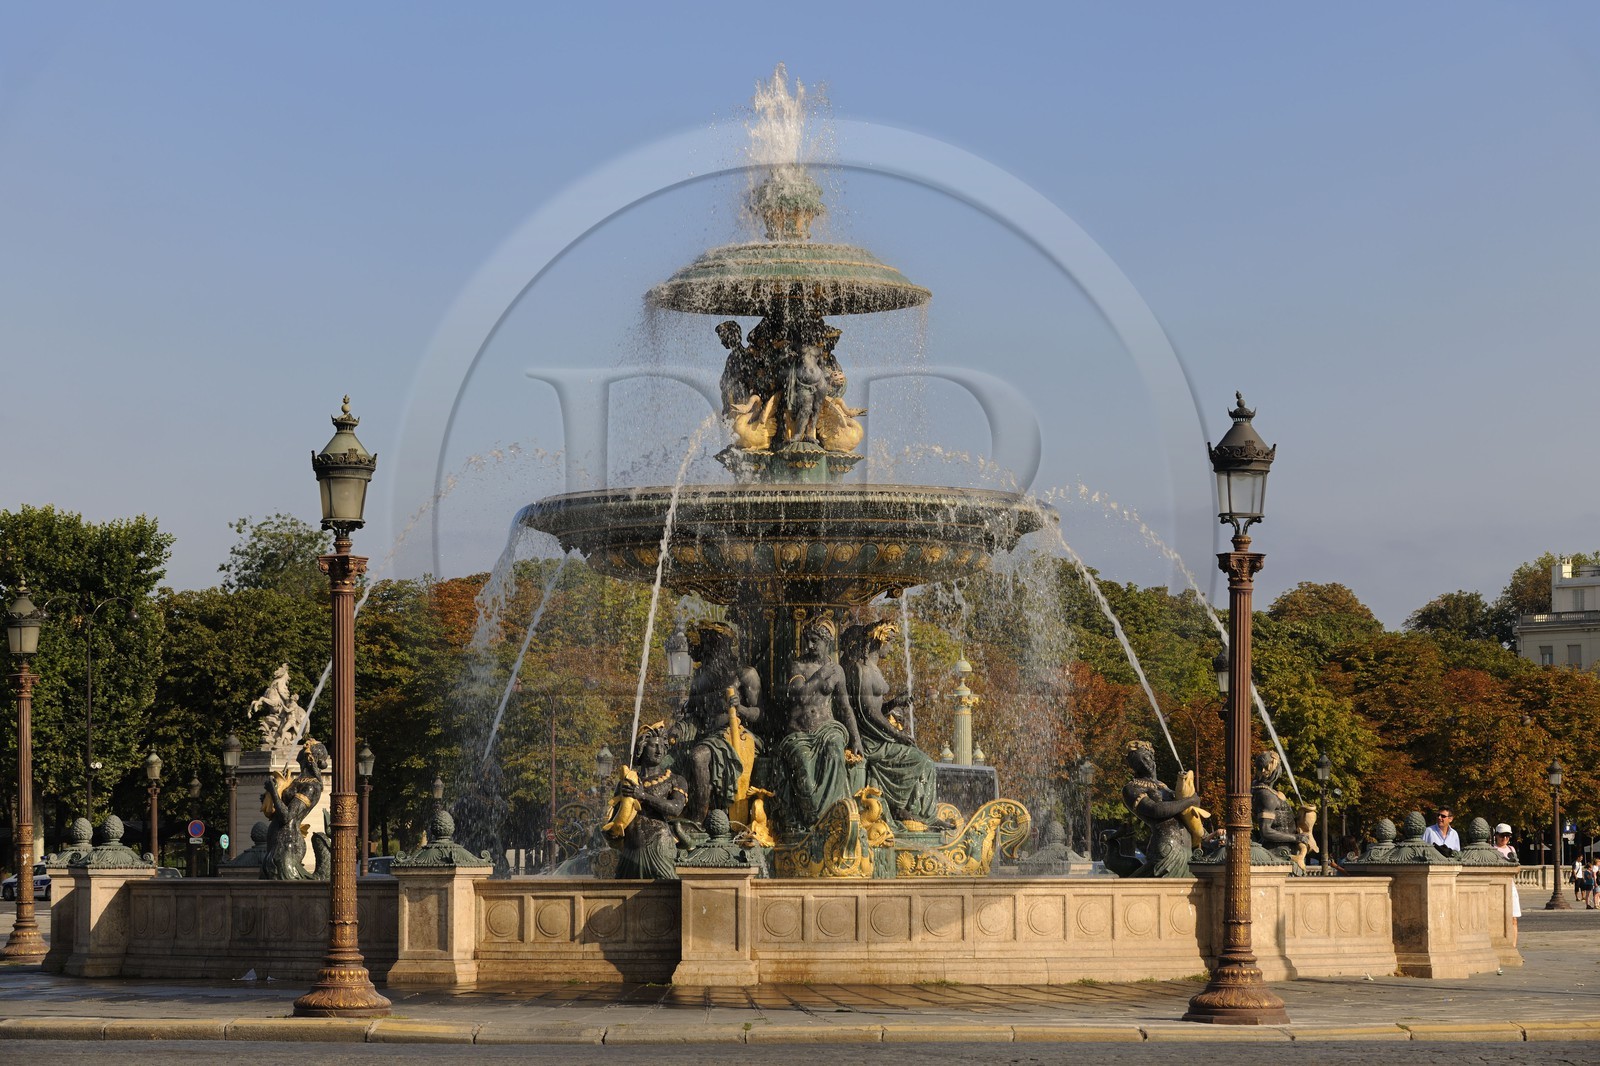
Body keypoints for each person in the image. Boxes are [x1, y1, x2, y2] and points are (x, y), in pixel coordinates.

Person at [838, 619, 951, 832]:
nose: (891, 647)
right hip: (870, 740)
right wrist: (896, 735)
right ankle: (913, 813)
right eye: (890, 641)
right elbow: (868, 713)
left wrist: (893, 703)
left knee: (917, 754)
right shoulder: (862, 670)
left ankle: (912, 810)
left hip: (876, 734)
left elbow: (874, 709)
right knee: (923, 761)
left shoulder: (870, 668)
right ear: (879, 642)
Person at [1122, 740, 1206, 878]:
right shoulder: (1132, 788)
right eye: (1137, 761)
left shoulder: (1163, 786)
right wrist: (1190, 800)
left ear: (1152, 757)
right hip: (1167, 849)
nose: (1144, 763)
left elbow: (1185, 813)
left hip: (1186, 849)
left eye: (1146, 757)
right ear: (1132, 765)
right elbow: (1156, 810)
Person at [1493, 823, 1521, 946]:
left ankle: (1513, 946)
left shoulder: (1511, 850)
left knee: (1513, 918)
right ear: (1496, 836)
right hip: (1497, 887)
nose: (1504, 838)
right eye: (1502, 835)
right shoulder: (1491, 850)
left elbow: (1518, 868)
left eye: (1507, 836)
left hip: (1510, 885)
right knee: (1498, 919)